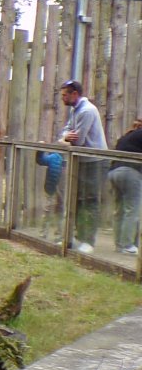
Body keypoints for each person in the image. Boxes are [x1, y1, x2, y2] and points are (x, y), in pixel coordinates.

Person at [58, 79, 107, 253]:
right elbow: (65, 132)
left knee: (90, 200)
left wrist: (65, 140)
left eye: (65, 95)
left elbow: (77, 140)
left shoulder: (87, 111)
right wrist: (64, 138)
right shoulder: (75, 110)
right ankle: (78, 237)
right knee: (76, 199)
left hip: (94, 161)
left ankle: (89, 241)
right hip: (81, 160)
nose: (62, 98)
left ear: (75, 94)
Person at [108, 118, 142, 255]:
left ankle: (119, 245)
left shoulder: (127, 136)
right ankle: (128, 245)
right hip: (131, 172)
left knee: (119, 210)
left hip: (114, 172)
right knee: (132, 210)